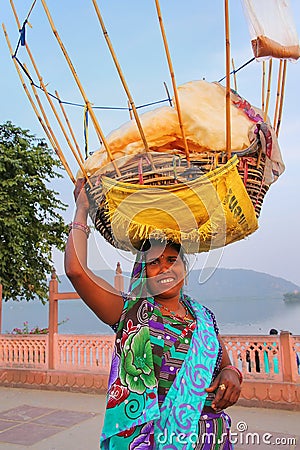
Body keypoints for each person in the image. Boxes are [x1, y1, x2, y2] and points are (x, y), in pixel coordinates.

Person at [65, 179, 242, 449]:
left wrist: (231, 375)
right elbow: (76, 271)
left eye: (172, 260)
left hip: (210, 439)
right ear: (141, 273)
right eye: (154, 263)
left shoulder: (204, 318)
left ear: (184, 266)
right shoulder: (129, 312)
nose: (164, 269)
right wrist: (81, 209)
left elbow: (225, 364)